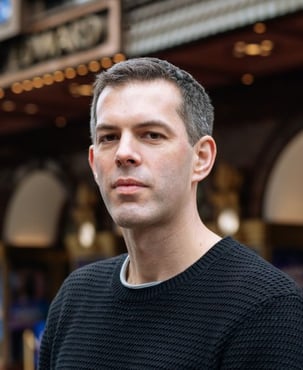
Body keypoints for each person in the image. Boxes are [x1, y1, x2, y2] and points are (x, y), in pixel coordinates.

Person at [38, 57, 303, 369]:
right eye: (109, 137)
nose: (124, 153)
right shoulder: (74, 298)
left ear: (201, 158)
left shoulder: (266, 309)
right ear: (94, 163)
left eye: (151, 134)